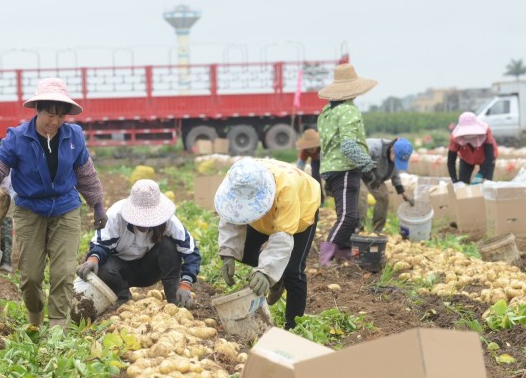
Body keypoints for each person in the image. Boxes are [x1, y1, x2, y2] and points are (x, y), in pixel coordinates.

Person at [0, 78, 106, 328]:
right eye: (49, 114)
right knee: (31, 277)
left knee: (63, 273)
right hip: (30, 210)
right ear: (38, 110)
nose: (54, 121)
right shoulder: (17, 138)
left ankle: (57, 329)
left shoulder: (73, 137)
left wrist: (98, 206)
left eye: (60, 116)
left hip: (66, 209)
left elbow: (86, 174)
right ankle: (35, 320)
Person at [215, 158, 321, 330]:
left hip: (301, 209)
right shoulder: (236, 178)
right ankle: (277, 278)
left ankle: (294, 327)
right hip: (261, 217)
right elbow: (231, 214)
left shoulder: (286, 189)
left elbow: (282, 238)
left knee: (293, 271)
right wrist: (228, 253)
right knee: (243, 251)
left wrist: (266, 272)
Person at [77, 179, 200, 309]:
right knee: (102, 264)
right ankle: (123, 297)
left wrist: (185, 284)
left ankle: (174, 298)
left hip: (148, 270)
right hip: (118, 271)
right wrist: (93, 259)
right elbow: (101, 244)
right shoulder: (116, 215)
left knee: (168, 245)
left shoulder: (169, 221)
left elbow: (191, 252)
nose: (144, 224)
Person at [316, 63, 378, 265]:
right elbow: (348, 145)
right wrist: (368, 165)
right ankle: (326, 257)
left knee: (347, 214)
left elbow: (328, 144)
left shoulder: (326, 112)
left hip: (330, 168)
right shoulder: (348, 111)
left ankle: (343, 251)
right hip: (344, 169)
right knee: (348, 217)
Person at [357, 137, 414, 233]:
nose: (397, 162)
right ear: (392, 151)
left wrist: (402, 192)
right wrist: (373, 172)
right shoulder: (373, 147)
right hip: (357, 173)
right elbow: (358, 159)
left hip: (375, 178)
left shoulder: (396, 155)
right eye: (397, 160)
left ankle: (377, 230)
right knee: (361, 195)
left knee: (384, 196)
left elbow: (395, 174)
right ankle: (358, 227)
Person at [447, 112, 497, 184]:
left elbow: (489, 157)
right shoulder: (455, 137)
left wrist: (480, 174)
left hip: (486, 159)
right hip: (466, 158)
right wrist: (454, 180)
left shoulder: (486, 131)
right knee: (463, 183)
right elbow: (451, 161)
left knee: (485, 184)